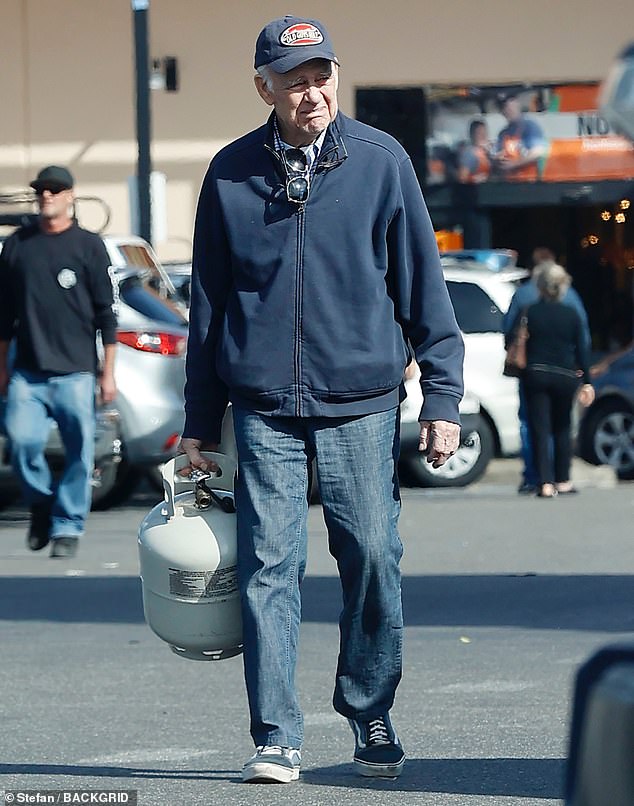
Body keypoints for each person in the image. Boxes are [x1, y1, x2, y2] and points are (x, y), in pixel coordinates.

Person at [179, 15, 464, 785]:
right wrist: (197, 426)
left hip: (363, 400)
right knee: (268, 565)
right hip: (264, 404)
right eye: (296, 79)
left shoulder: (380, 161)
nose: (313, 91)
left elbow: (423, 288)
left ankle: (369, 707)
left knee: (372, 553)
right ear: (264, 86)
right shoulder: (231, 173)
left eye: (322, 74)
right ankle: (276, 735)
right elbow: (208, 307)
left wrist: (443, 396)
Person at [0, 165, 117, 558]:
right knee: (22, 443)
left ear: (70, 196)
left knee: (79, 452)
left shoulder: (87, 246)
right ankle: (40, 504)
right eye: (41, 191)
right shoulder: (19, 245)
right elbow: (3, 315)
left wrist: (108, 373)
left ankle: (67, 525)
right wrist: (2, 366)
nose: (46, 196)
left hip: (76, 372)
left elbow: (106, 315)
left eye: (54, 190)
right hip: (28, 373)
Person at [503, 248, 591, 494]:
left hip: (536, 373)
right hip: (565, 375)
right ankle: (563, 480)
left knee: (537, 427)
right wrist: (587, 379)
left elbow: (509, 336)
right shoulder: (572, 311)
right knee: (563, 426)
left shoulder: (528, 308)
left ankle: (543, 482)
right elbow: (582, 345)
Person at [492, 94, 547, 181]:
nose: (507, 110)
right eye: (503, 107)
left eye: (508, 105)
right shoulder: (503, 133)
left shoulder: (530, 126)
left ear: (516, 103)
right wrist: (497, 161)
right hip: (509, 184)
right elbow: (497, 156)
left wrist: (514, 164)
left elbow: (538, 152)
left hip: (528, 184)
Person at [458, 119, 491, 183]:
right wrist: (473, 179)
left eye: (484, 133)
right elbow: (462, 178)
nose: (483, 136)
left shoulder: (485, 152)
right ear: (472, 135)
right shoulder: (469, 153)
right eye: (479, 133)